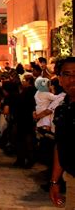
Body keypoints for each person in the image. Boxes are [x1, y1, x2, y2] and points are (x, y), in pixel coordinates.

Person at [49, 57, 75, 208]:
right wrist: (54, 181)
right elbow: (60, 144)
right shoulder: (62, 109)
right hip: (72, 178)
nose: (72, 79)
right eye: (67, 74)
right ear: (59, 79)